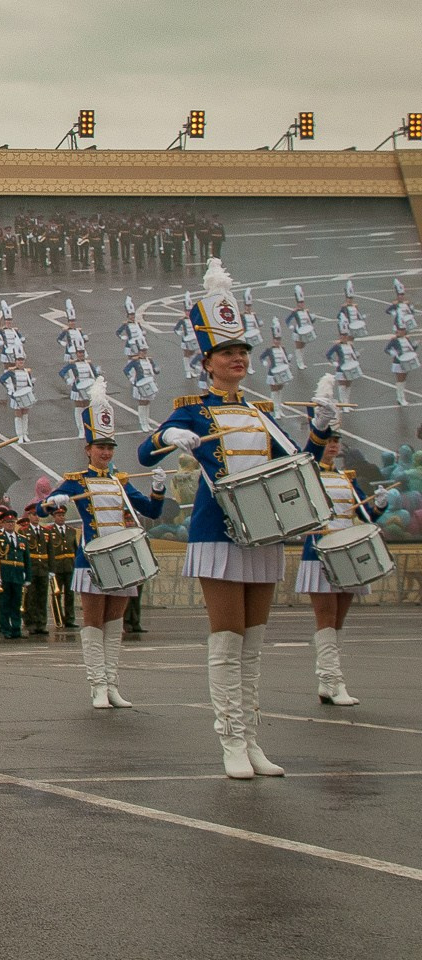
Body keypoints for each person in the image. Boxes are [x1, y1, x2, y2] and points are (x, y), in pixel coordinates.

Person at [139, 259, 337, 780]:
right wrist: (168, 437)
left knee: (254, 642)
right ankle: (228, 739)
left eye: (243, 352)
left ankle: (252, 739)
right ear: (208, 362)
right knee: (226, 640)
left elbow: (301, 463)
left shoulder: (258, 411)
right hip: (217, 532)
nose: (238, 360)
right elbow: (143, 452)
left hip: (264, 532)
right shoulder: (194, 409)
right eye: (228, 353)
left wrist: (319, 429)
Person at [43, 380, 165, 708]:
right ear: (88, 449)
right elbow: (44, 507)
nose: (106, 452)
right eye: (100, 446)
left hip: (122, 557)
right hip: (92, 559)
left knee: (115, 623)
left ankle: (112, 684)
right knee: (94, 623)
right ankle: (96, 684)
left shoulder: (121, 481)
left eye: (110, 447)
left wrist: (158, 488)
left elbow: (150, 510)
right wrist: (57, 499)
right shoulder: (77, 479)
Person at [295, 429, 392, 706]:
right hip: (321, 552)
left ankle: (328, 682)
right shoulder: (309, 476)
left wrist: (380, 506)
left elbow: (365, 514)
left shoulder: (345, 478)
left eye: (336, 442)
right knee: (326, 619)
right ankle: (332, 681)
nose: (333, 446)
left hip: (348, 553)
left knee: (338, 622)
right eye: (328, 441)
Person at [0, 512, 27, 638]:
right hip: (4, 575)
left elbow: (27, 560)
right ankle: (6, 630)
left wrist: (28, 576)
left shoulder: (22, 539)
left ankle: (16, 629)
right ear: (3, 524)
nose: (10, 524)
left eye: (12, 522)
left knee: (16, 604)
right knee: (5, 604)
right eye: (8, 522)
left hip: (17, 575)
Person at [285, 286, 316, 370]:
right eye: (300, 303)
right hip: (298, 332)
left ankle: (301, 362)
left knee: (303, 346)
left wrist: (313, 318)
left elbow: (310, 321)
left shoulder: (306, 311)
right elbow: (287, 320)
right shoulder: (295, 312)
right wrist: (290, 326)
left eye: (302, 303)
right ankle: (299, 363)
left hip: (305, 331)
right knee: (298, 347)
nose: (301, 304)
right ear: (297, 303)